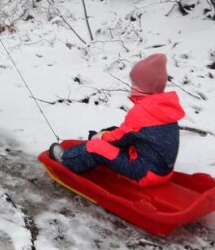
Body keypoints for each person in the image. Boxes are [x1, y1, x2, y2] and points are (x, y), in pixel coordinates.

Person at [49, 54, 183, 185]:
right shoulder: (164, 107)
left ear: (142, 88)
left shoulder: (142, 112)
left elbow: (118, 139)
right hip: (163, 171)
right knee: (114, 130)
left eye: (134, 84)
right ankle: (94, 144)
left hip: (144, 173)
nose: (131, 87)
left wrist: (99, 139)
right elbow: (133, 133)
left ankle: (66, 160)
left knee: (97, 146)